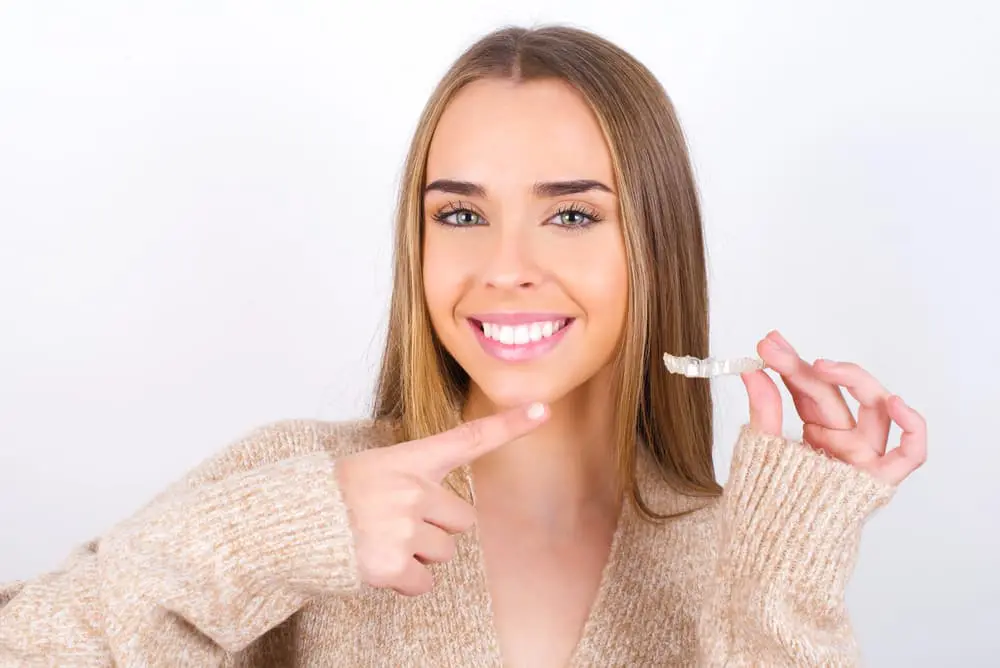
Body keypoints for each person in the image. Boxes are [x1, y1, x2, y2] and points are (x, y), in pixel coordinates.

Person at [0, 24, 927, 667]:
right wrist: (268, 539)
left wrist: (789, 556)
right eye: (460, 214)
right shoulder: (301, 487)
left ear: (656, 245)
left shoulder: (731, 552)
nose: (506, 267)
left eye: (572, 214)